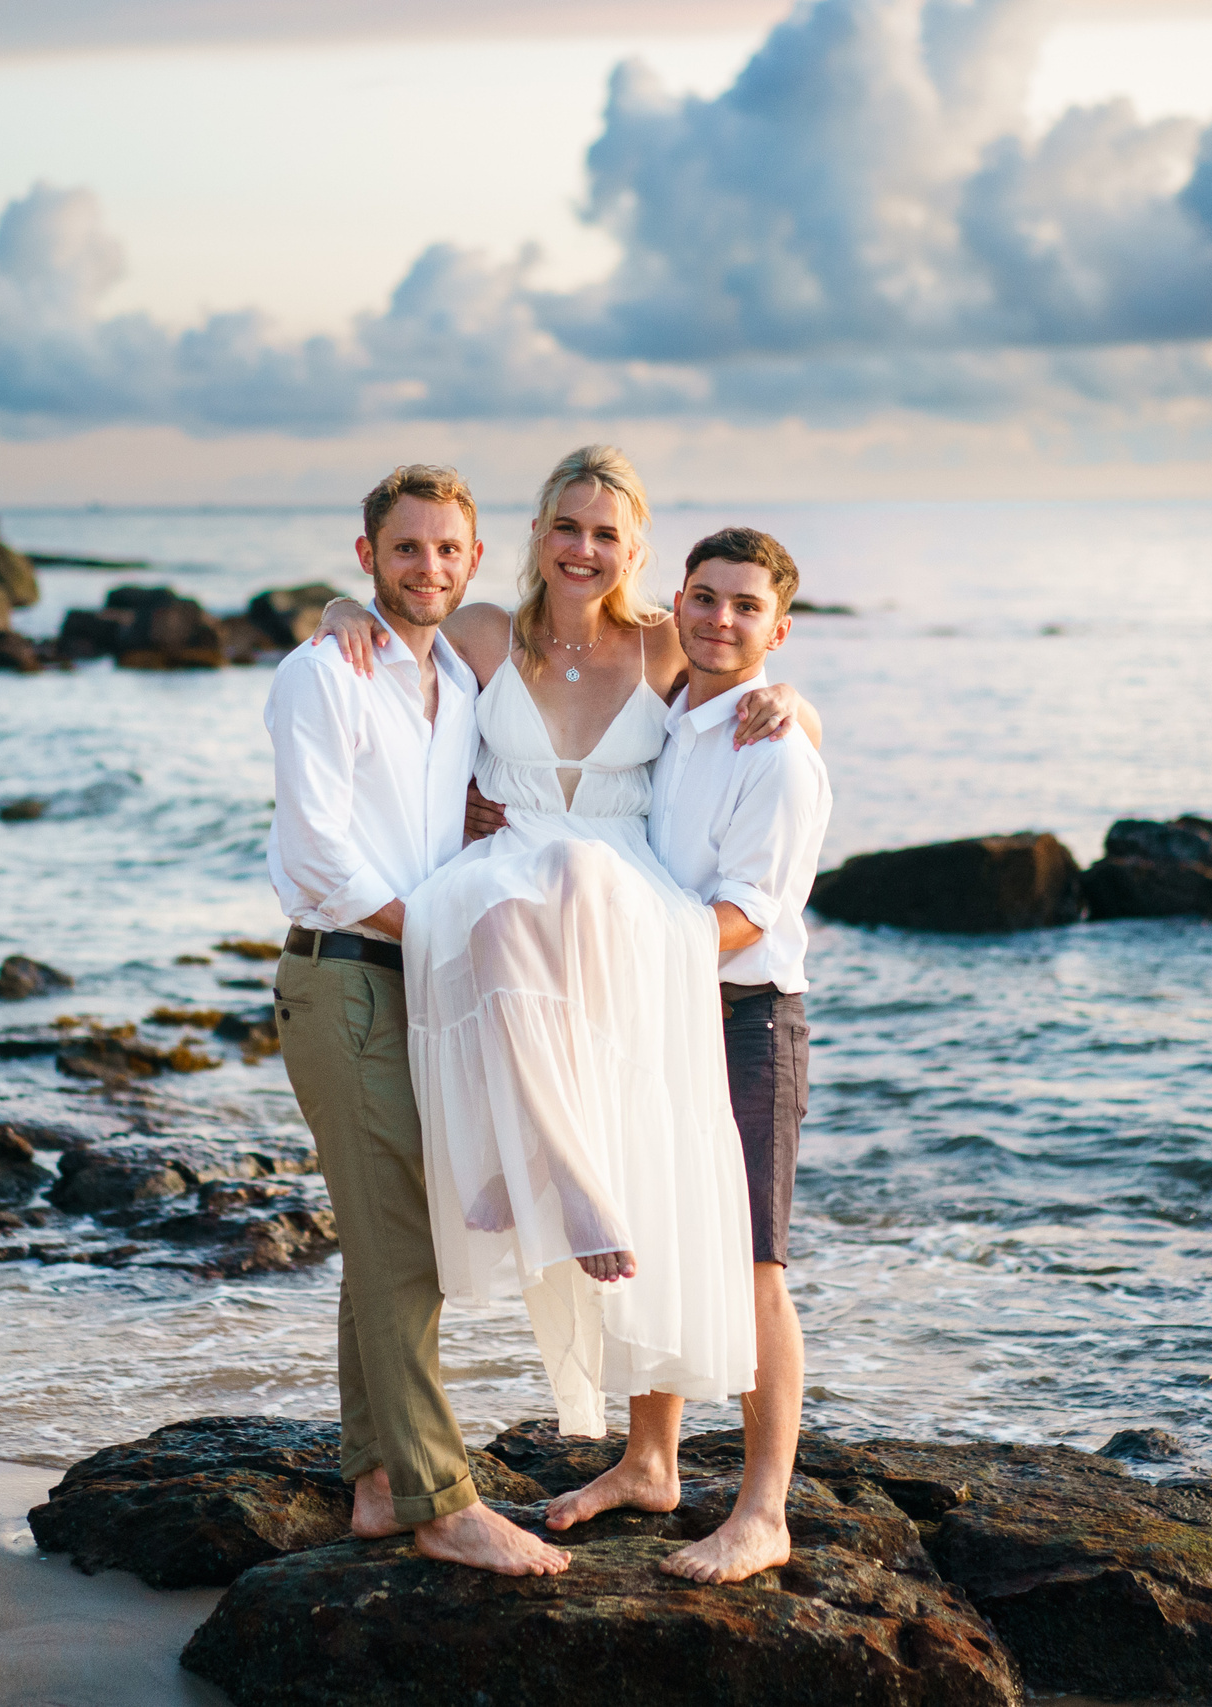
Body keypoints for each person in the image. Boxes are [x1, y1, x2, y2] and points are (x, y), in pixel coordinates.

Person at [312, 446, 819, 1446]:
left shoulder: (662, 641)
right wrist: (338, 616)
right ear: (537, 535)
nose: (582, 549)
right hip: (509, 863)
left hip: (617, 887)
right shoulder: (487, 634)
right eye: (566, 527)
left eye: (605, 534)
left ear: (634, 551)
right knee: (497, 915)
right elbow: (389, 631)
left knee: (572, 884)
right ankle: (544, 1170)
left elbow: (743, 680)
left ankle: (547, 1179)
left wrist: (800, 702)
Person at [265, 463, 568, 1577]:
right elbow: (317, 856)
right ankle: (444, 1503)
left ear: (475, 562)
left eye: (447, 550)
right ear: (366, 558)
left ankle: (378, 1482)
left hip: (417, 984)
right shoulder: (323, 674)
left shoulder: (461, 680)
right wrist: (434, 934)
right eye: (405, 550)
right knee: (407, 1245)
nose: (427, 567)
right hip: (343, 975)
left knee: (392, 1234)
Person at [539, 526, 833, 1586]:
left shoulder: (777, 751)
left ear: (777, 626)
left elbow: (748, 914)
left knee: (754, 1266)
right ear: (678, 604)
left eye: (745, 607)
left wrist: (613, 950)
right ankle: (650, 1463)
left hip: (746, 1018)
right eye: (704, 600)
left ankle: (763, 1512)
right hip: (659, 1009)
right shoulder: (674, 704)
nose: (720, 620)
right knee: (653, 1236)